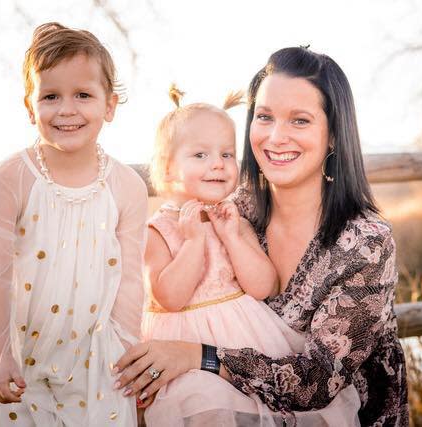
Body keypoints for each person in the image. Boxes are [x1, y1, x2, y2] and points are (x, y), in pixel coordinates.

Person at [114, 47, 409, 427]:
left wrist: (196, 355)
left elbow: (317, 383)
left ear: (334, 135)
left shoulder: (364, 242)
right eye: (264, 117)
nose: (275, 136)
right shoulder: (232, 210)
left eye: (299, 121)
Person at [137, 85, 361, 426]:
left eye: (227, 154)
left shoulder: (233, 219)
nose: (217, 164)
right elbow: (168, 297)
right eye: (200, 156)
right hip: (180, 342)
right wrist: (194, 243)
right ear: (167, 169)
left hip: (244, 339)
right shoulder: (159, 230)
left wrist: (232, 238)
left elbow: (263, 286)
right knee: (202, 405)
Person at [0, 22, 147, 426]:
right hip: (21, 351)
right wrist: (0, 354)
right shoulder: (11, 178)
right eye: (51, 96)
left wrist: (124, 346)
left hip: (96, 353)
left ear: (109, 105)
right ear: (30, 107)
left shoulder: (127, 186)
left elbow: (131, 277)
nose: (66, 109)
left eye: (83, 95)